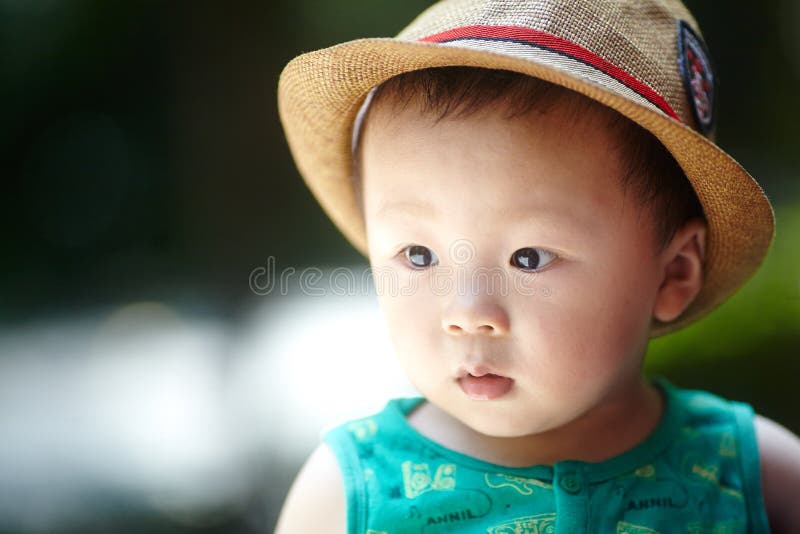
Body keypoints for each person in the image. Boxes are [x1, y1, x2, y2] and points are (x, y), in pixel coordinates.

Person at [274, 0, 800, 532]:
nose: (467, 313)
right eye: (418, 255)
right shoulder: (347, 497)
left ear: (672, 274)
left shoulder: (752, 475)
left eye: (528, 258)